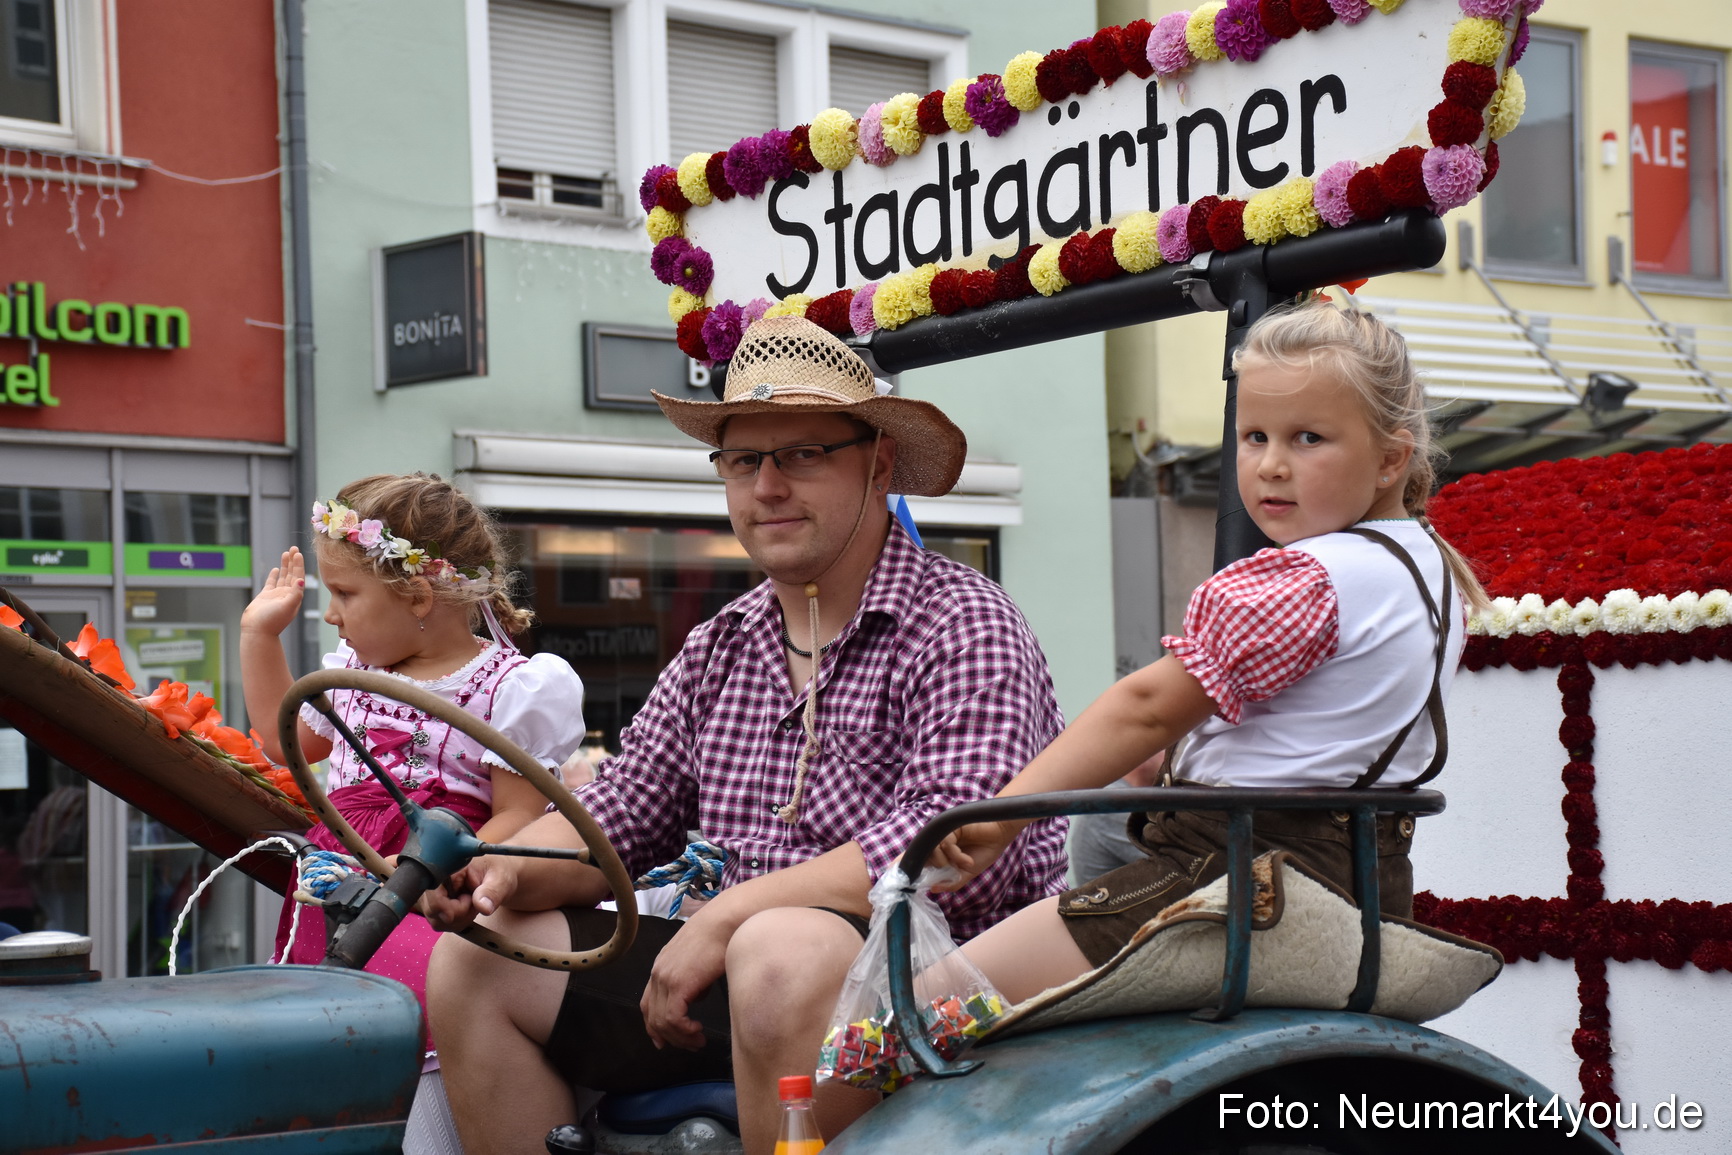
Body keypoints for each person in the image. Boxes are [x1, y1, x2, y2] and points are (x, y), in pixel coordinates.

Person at [423, 316, 1068, 1155]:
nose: (766, 486)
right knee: (476, 958)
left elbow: (949, 840)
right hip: (734, 977)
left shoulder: (963, 619)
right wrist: (504, 870)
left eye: (802, 454)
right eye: (742, 460)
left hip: (937, 991)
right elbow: (623, 805)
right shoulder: (723, 641)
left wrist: (730, 916)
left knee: (781, 946)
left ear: (876, 464)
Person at [930, 301, 1490, 1021]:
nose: (1271, 465)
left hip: (1234, 877)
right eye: (1253, 436)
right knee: (1097, 838)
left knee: (921, 1005)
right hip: (1362, 878)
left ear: (1391, 457)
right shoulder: (1428, 569)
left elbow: (1146, 707)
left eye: (1308, 438)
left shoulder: (1307, 577)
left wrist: (1001, 814)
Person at [240, 473, 586, 1037]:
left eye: (346, 594)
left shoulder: (510, 688)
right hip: (336, 881)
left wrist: (446, 876)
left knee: (407, 1034)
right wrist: (258, 637)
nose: (331, 614)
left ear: (419, 597)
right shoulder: (354, 670)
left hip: (430, 895)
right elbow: (285, 745)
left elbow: (519, 817)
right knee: (322, 1027)